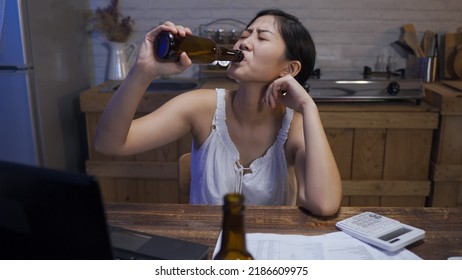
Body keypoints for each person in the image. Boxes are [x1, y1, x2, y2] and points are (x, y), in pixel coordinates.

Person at [94, 9, 342, 216]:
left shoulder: (294, 127)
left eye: (262, 38)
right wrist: (143, 70)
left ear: (289, 68)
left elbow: (324, 204)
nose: (243, 42)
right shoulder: (202, 107)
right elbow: (109, 144)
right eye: (245, 35)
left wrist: (309, 107)